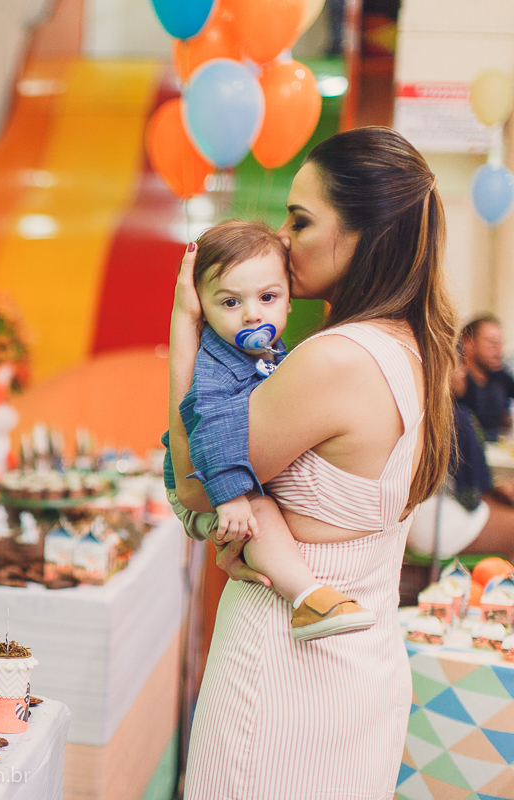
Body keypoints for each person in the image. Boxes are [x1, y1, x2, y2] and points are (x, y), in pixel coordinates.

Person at [170, 127, 455, 799]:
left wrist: (186, 330)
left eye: (301, 219)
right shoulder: (420, 348)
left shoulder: (336, 358)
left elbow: (196, 483)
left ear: (364, 234)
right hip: (363, 666)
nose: (283, 238)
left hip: (283, 676)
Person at [162, 220, 376, 640]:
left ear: (289, 301)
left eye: (268, 297)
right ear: (201, 308)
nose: (252, 313)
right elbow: (212, 425)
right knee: (257, 512)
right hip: (202, 480)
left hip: (219, 477)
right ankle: (307, 598)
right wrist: (230, 496)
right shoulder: (217, 364)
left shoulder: (270, 352)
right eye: (229, 302)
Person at [406, 348, 514, 558]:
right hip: (437, 527)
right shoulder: (457, 417)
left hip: (408, 524)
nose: (464, 371)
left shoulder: (415, 410)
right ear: (442, 370)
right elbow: (471, 497)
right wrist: (499, 492)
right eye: (459, 364)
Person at [459, 313, 514, 441]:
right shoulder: (456, 382)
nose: (499, 349)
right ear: (468, 344)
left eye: (501, 343)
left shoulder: (501, 378)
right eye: (492, 342)